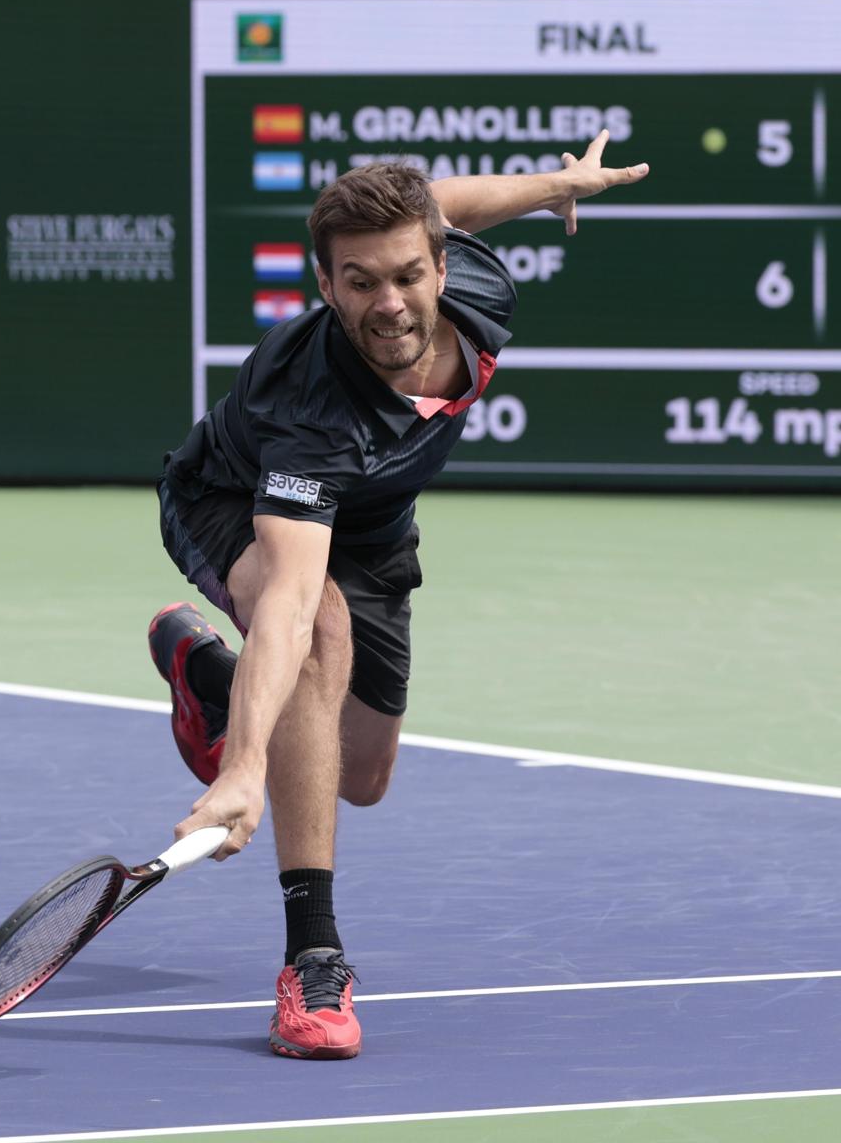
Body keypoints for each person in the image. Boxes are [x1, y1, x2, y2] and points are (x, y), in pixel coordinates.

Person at [150, 135, 650, 1058]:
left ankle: (213, 686)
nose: (390, 303)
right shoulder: (309, 410)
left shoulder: (481, 293)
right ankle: (314, 964)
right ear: (327, 287)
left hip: (376, 531)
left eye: (407, 275)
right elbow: (296, 598)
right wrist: (245, 769)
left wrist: (553, 187)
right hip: (228, 502)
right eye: (360, 283)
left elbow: (442, 200)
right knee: (314, 634)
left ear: (441, 265)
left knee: (361, 776)